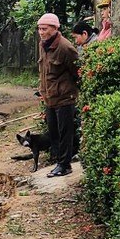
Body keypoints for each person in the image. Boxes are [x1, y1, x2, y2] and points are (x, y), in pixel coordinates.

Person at [37, 12, 81, 177]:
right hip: (50, 98)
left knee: (65, 133)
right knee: (54, 132)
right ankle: (59, 162)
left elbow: (78, 71)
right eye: (39, 29)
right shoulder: (43, 45)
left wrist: (72, 91)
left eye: (45, 29)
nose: (41, 32)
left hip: (64, 97)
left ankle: (65, 165)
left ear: (55, 28)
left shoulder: (65, 47)